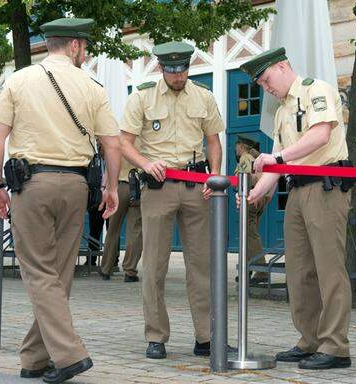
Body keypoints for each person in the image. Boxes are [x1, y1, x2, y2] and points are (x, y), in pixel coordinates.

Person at [0, 17, 121, 384]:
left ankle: (70, 355)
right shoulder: (93, 86)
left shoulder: (19, 80)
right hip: (77, 186)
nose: (86, 52)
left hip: (33, 185)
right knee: (58, 275)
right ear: (75, 46)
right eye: (86, 46)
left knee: (39, 272)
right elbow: (112, 142)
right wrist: (111, 187)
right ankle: (33, 358)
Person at [240, 47, 353, 370]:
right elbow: (275, 165)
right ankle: (310, 339)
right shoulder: (281, 112)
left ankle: (336, 346)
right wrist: (255, 193)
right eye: (260, 84)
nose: (265, 87)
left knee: (329, 269)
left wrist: (277, 160)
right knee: (299, 271)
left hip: (325, 187)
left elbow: (320, 135)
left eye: (266, 79)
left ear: (283, 65)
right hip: (297, 190)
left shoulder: (317, 90)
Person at [119, 41, 226, 360]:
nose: (178, 77)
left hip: (196, 185)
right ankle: (156, 336)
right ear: (162, 68)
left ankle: (206, 338)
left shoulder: (203, 96)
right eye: (172, 71)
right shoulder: (142, 96)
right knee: (154, 265)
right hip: (158, 186)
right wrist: (144, 163)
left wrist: (215, 175)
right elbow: (124, 142)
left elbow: (213, 141)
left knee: (202, 265)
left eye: (183, 71)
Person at [100, 139, 143, 282]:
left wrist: (104, 187)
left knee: (112, 229)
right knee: (135, 231)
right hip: (137, 187)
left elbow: (109, 167)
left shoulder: (119, 140)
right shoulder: (146, 139)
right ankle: (130, 271)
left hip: (118, 187)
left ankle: (106, 268)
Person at [233, 135, 269, 285]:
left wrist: (242, 192)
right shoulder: (254, 158)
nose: (235, 148)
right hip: (258, 198)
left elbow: (244, 178)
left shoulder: (245, 158)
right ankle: (246, 270)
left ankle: (261, 271)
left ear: (241, 146)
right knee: (247, 235)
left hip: (249, 198)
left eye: (237, 145)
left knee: (249, 234)